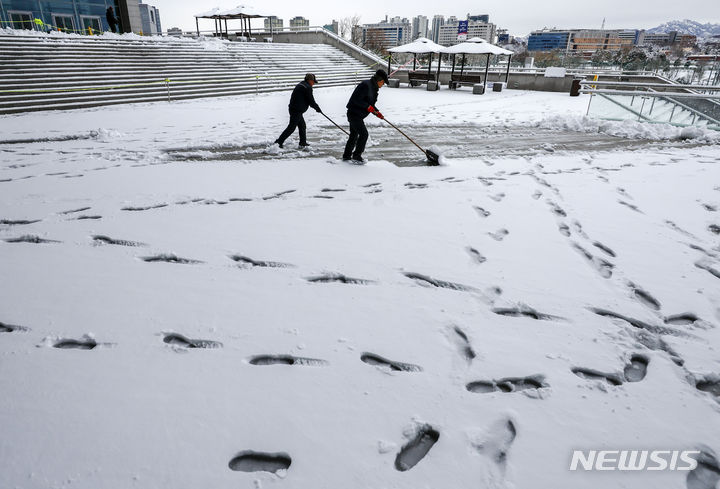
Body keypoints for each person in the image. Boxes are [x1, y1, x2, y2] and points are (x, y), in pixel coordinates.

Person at [342, 69, 389, 163]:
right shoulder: (366, 85)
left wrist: (376, 112)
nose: (382, 85)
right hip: (354, 114)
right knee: (364, 134)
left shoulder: (373, 88)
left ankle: (347, 156)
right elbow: (356, 100)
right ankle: (356, 155)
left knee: (354, 136)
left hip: (358, 115)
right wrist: (368, 107)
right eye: (383, 82)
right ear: (379, 80)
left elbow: (369, 103)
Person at [274, 73, 322, 149]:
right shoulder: (307, 87)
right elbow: (311, 100)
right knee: (291, 127)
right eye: (313, 82)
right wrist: (317, 108)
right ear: (310, 80)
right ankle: (279, 141)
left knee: (302, 126)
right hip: (296, 110)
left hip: (294, 108)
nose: (313, 84)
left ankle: (302, 142)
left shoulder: (301, 84)